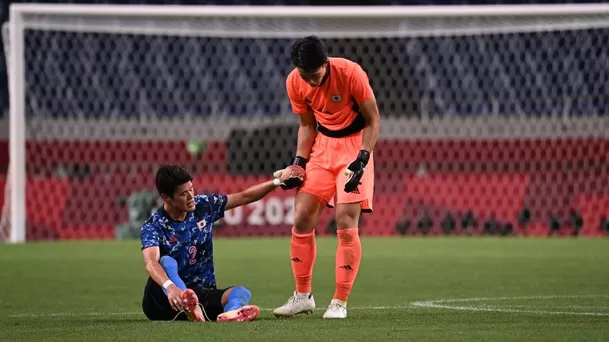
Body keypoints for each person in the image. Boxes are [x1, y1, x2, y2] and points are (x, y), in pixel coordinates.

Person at [273, 36, 381, 319]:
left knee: (345, 220)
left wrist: (363, 157)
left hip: (354, 146)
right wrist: (298, 162)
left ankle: (339, 302)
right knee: (302, 216)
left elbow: (373, 120)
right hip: (322, 148)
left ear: (325, 62)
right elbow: (307, 125)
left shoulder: (350, 73)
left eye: (314, 74)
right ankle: (302, 296)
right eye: (303, 75)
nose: (309, 81)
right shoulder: (294, 81)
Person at [140, 164, 289, 322]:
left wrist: (276, 182)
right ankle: (188, 302)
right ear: (166, 197)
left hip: (200, 293)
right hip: (164, 300)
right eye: (183, 194)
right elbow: (150, 262)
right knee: (166, 261)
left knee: (241, 292)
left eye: (191, 189)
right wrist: (170, 287)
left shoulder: (203, 206)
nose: (191, 196)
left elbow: (245, 196)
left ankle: (231, 313)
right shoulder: (154, 226)